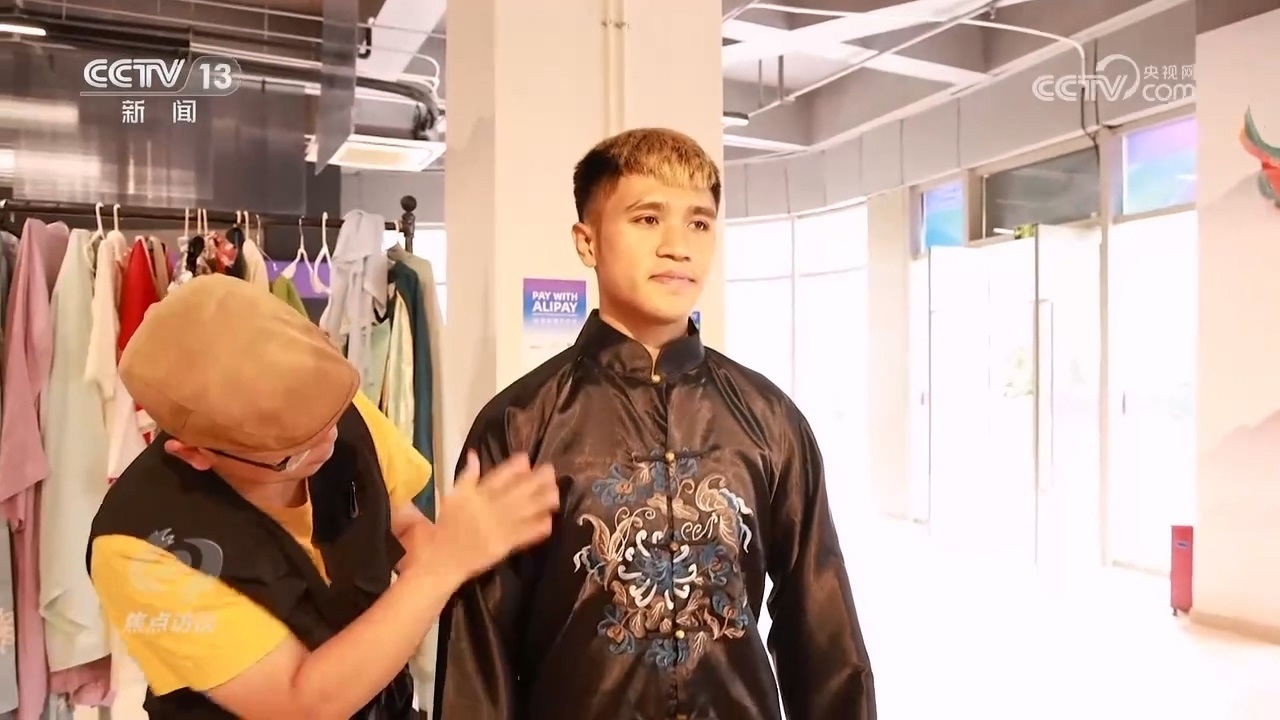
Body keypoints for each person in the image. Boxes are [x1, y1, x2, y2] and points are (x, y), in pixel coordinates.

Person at [433, 128, 876, 720]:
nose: (677, 246)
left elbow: (823, 634)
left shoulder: (770, 422)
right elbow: (476, 657)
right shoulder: (520, 426)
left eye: (699, 223)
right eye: (647, 219)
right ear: (587, 242)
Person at [86, 273, 559, 720]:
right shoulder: (137, 547)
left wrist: (480, 556)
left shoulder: (333, 411)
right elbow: (300, 703)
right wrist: (443, 567)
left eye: (331, 420)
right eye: (292, 453)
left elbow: (403, 526)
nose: (328, 444)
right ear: (194, 453)